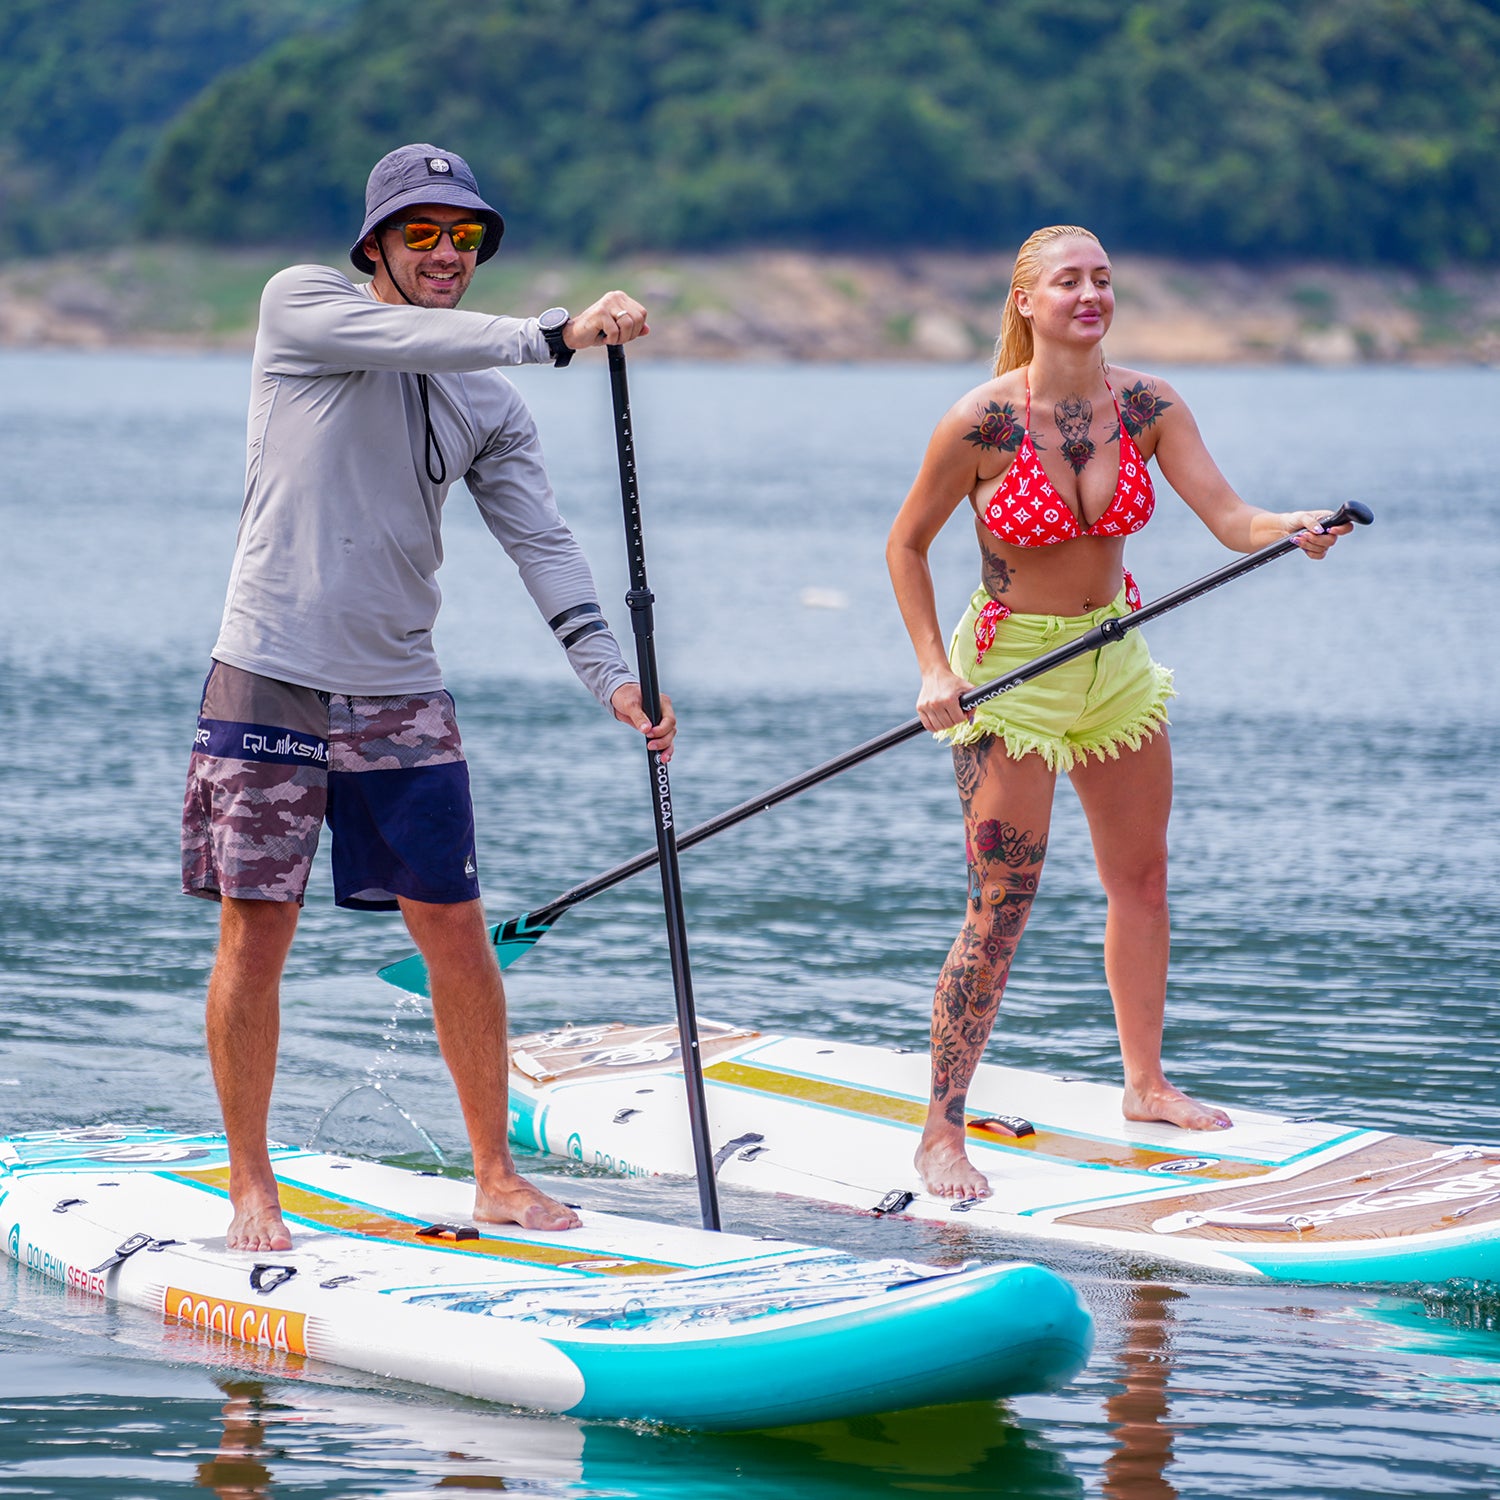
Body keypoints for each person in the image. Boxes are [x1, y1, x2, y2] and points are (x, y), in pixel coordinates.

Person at [181, 143, 675, 1251]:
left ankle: (495, 1176)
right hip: (269, 669)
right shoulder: (302, 310)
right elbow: (412, 338)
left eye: (464, 237)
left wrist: (612, 674)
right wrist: (556, 335)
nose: (446, 254)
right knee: (257, 933)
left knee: (455, 929)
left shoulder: (489, 402)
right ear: (377, 249)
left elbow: (541, 543)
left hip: (399, 688)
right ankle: (250, 1186)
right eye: (422, 235)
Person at [886, 224, 1350, 1201]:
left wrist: (1288, 527)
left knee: (1141, 878)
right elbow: (906, 547)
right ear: (1026, 300)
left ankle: (1145, 1084)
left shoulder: (1146, 404)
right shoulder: (979, 422)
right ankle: (940, 1130)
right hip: (1010, 674)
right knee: (1002, 906)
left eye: (1103, 277)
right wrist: (933, 668)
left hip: (1114, 657)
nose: (1091, 293)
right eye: (1069, 281)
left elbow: (1229, 517)